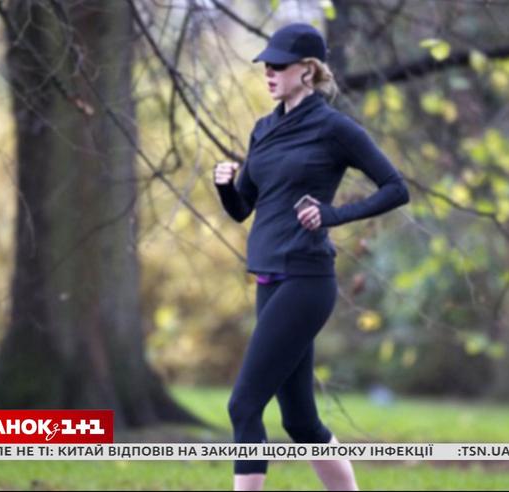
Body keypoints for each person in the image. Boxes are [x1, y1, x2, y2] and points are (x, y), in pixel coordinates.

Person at [212, 22, 410, 491]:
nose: (269, 72)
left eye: (279, 66)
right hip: (269, 278)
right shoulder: (263, 130)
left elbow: (395, 188)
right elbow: (243, 208)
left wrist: (332, 214)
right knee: (300, 421)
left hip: (307, 280)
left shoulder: (333, 128)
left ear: (308, 70)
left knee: (243, 405)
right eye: (266, 65)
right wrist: (224, 186)